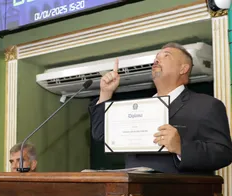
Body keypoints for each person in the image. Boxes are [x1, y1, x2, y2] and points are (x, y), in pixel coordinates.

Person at [89, 42, 232, 174]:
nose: (156, 60)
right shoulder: (137, 108)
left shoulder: (206, 105)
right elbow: (101, 134)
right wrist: (105, 93)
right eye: (156, 57)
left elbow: (223, 154)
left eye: (166, 56)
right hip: (132, 192)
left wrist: (181, 147)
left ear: (183, 68)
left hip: (177, 195)